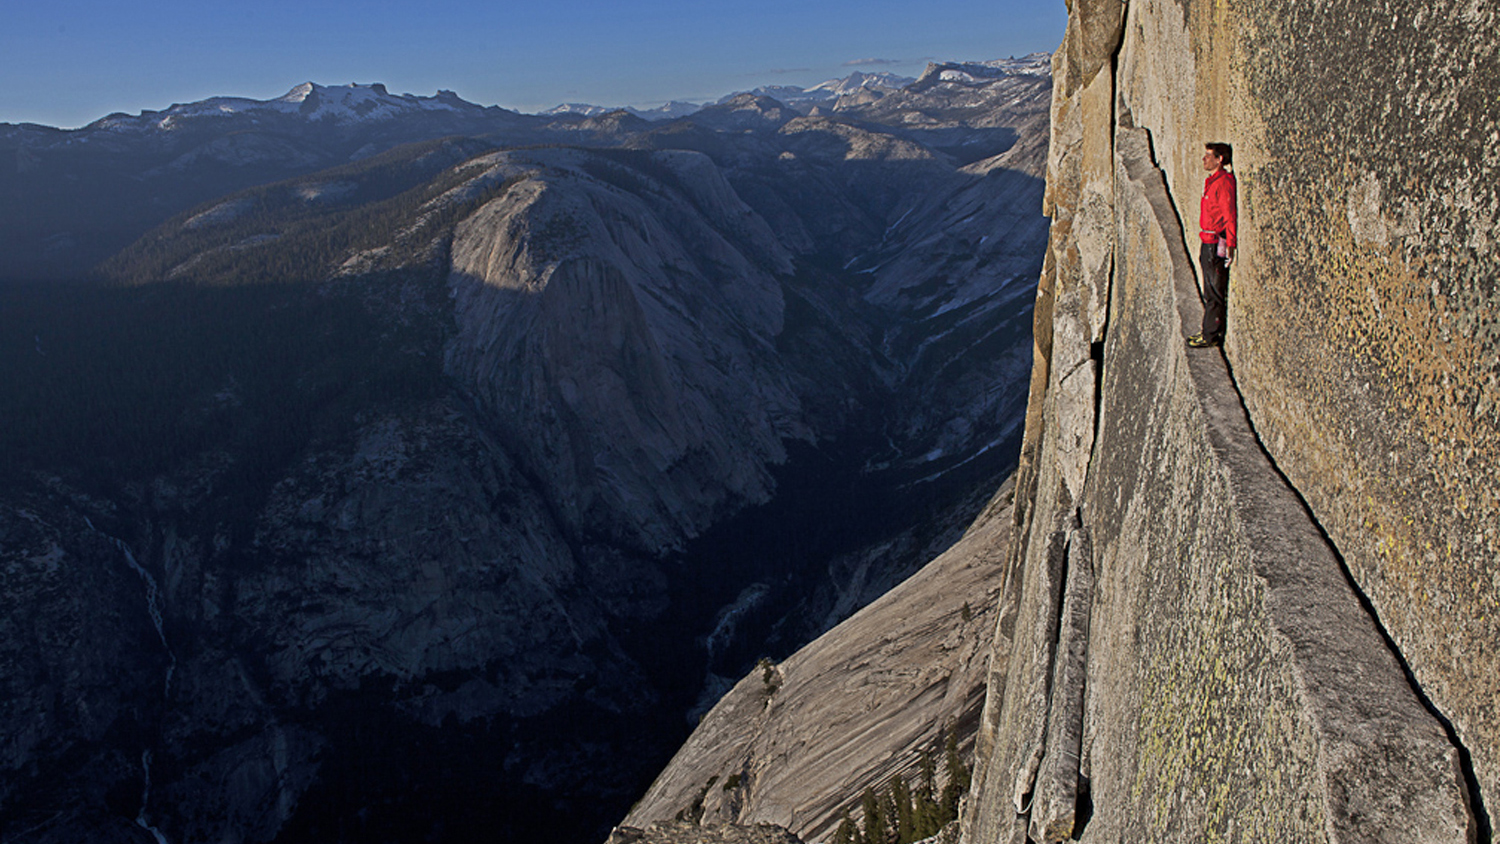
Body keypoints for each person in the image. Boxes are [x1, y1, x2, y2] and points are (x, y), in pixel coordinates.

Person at [1188, 142, 1237, 348]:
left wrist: (1231, 244)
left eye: (1209, 156)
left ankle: (1211, 335)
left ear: (1220, 160)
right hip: (1207, 241)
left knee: (1214, 292)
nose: (1204, 159)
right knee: (1209, 290)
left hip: (1215, 243)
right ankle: (1208, 331)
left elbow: (1229, 214)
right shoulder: (1212, 182)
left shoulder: (1224, 182)